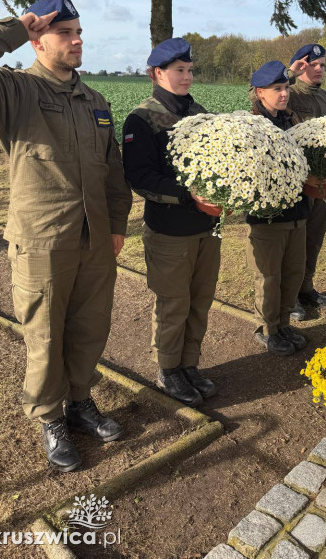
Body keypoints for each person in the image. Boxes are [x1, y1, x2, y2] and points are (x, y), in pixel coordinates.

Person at [0, 0, 133, 473]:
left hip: (95, 240)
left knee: (90, 327)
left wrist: (118, 225)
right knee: (45, 335)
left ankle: (80, 402)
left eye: (78, 32)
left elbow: (112, 169)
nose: (77, 40)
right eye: (64, 33)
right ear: (38, 39)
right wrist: (13, 26)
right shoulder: (14, 92)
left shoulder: (96, 101)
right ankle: (50, 417)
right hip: (43, 238)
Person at [122, 38, 221, 407]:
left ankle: (189, 364)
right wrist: (187, 195)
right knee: (173, 303)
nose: (187, 77)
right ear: (156, 73)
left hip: (207, 228)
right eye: (179, 70)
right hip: (169, 230)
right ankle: (168, 369)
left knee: (200, 300)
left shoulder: (199, 112)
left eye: (190, 70)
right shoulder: (142, 118)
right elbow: (140, 177)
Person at [246, 60, 309, 356]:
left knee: (293, 272)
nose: (284, 94)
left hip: (297, 212)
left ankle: (283, 323)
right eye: (277, 89)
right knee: (269, 276)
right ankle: (267, 329)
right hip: (267, 217)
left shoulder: (291, 120)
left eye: (285, 87)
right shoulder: (253, 126)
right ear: (260, 93)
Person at [287, 43, 326, 321]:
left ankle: (306, 288)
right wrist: (288, 74)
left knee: (314, 239)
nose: (319, 70)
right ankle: (290, 296)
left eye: (323, 65)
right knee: (294, 240)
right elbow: (256, 99)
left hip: (323, 182)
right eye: (313, 65)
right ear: (300, 66)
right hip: (297, 181)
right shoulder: (288, 92)